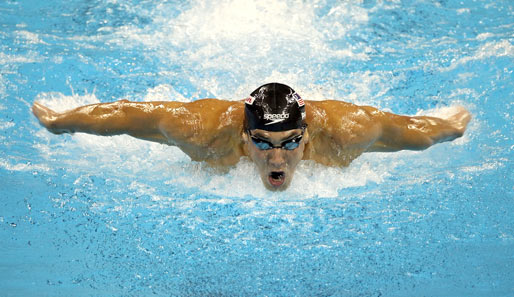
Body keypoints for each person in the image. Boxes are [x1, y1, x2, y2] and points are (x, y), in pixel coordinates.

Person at [32, 83, 471, 191]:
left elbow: (417, 132)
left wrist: (451, 126)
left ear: (307, 134)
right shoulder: (203, 132)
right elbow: (127, 116)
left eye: (288, 143)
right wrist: (61, 121)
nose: (276, 159)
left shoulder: (347, 133)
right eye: (262, 142)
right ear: (243, 137)